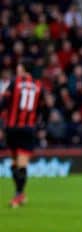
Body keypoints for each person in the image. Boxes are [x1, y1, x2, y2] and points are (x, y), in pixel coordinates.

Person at [1, 64, 43, 208]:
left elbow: (3, 102)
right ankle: (20, 194)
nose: (17, 69)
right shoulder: (38, 85)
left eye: (19, 67)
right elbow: (42, 108)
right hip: (28, 129)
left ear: (24, 68)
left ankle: (18, 195)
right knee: (21, 164)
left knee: (15, 163)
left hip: (12, 128)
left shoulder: (15, 82)